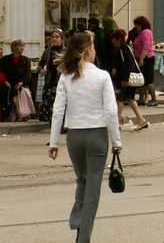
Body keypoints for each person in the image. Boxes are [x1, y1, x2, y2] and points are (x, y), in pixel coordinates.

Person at [48, 32, 122, 243]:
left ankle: (78, 221)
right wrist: (116, 141)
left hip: (75, 137)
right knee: (93, 188)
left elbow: (57, 111)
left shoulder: (65, 77)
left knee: (82, 179)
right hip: (97, 136)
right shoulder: (102, 76)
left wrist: (54, 142)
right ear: (88, 50)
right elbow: (110, 112)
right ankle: (84, 237)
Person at [108, 29, 148, 131]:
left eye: (113, 39)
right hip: (130, 79)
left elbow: (128, 64)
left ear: (118, 39)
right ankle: (141, 120)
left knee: (120, 99)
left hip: (127, 80)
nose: (112, 41)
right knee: (130, 99)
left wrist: (125, 78)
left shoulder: (123, 49)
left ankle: (116, 121)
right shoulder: (126, 48)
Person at [0, 39, 31, 121]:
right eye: (20, 46)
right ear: (14, 47)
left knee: (17, 92)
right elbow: (1, 72)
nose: (22, 48)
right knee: (8, 91)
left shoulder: (26, 60)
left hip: (21, 83)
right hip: (8, 83)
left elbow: (27, 74)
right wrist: (5, 81)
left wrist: (22, 82)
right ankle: (18, 114)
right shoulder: (4, 59)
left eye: (23, 46)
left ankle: (17, 114)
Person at [38, 29, 65, 123]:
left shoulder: (66, 51)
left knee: (60, 104)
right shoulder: (47, 51)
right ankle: (51, 123)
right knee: (49, 103)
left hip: (62, 81)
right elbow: (40, 65)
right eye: (52, 37)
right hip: (50, 81)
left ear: (62, 39)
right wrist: (41, 70)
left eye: (57, 37)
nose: (54, 39)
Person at [132, 16, 157, 107]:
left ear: (141, 24)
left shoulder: (145, 32)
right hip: (142, 57)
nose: (136, 27)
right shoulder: (141, 33)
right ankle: (141, 98)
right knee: (141, 80)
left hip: (147, 58)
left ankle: (154, 99)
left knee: (148, 80)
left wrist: (142, 58)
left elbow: (146, 47)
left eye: (137, 25)